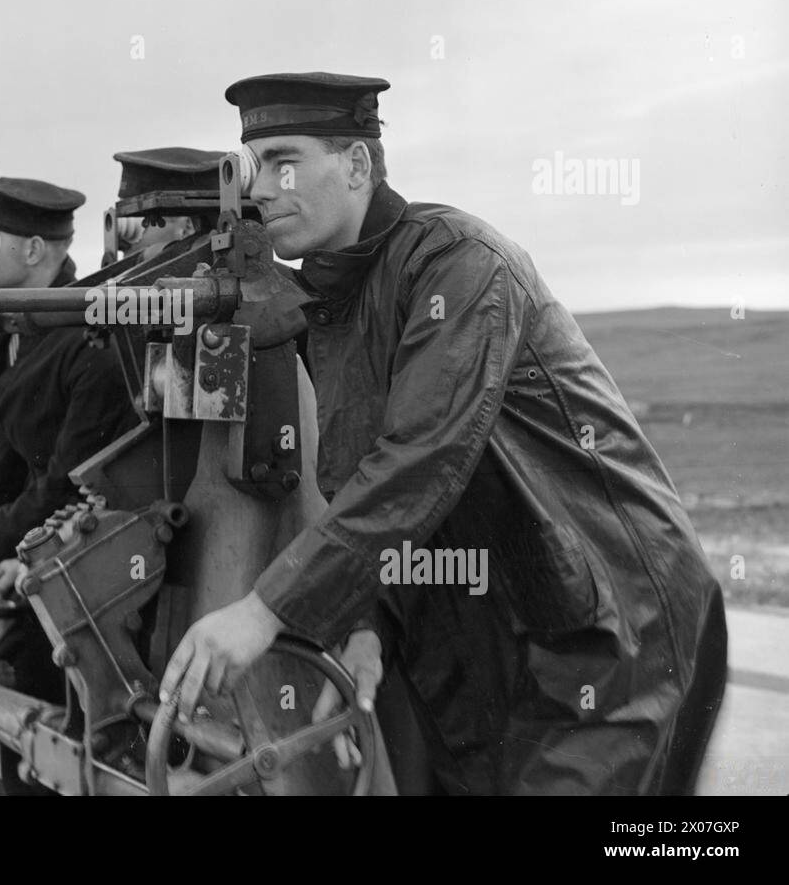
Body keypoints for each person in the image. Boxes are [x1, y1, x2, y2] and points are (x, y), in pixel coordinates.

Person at [159, 71, 728, 795]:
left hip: (617, 628)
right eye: (253, 166)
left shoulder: (459, 263)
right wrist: (369, 625)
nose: (260, 189)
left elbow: (420, 462)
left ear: (358, 165)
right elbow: (371, 482)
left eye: (284, 161)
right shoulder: (335, 302)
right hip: (501, 628)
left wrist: (266, 610)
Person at [0, 176, 138, 789]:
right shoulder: (8, 338)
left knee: (59, 726)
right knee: (12, 718)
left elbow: (66, 483)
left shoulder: (90, 343)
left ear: (34, 252)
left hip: (90, 568)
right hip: (41, 563)